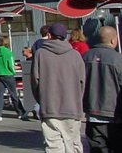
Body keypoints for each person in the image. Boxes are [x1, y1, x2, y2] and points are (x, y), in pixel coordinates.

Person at [32, 23, 85, 152]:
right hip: (72, 106)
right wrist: (78, 100)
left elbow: (35, 81)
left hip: (50, 105)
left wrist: (42, 100)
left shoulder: (40, 54)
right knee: (73, 143)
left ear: (49, 35)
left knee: (53, 145)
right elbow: (82, 82)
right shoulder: (75, 55)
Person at [82, 25, 122, 153]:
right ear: (113, 40)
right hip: (114, 114)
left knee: (97, 148)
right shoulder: (118, 59)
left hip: (91, 112)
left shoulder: (85, 57)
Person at [0, 36, 27, 122]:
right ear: (8, 43)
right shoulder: (8, 52)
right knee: (13, 94)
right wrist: (13, 71)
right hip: (8, 75)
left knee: (0, 94)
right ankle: (20, 112)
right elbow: (11, 64)